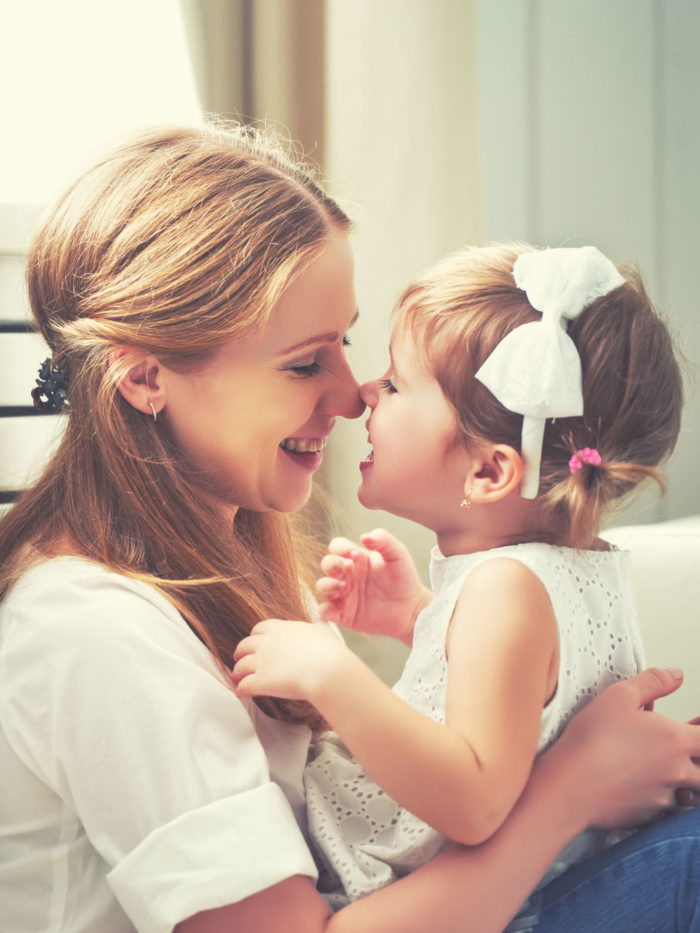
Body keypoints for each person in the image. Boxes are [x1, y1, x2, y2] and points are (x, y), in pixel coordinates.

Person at [0, 123, 699, 933]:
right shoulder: (99, 633)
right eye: (304, 362)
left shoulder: (235, 565)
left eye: (347, 343)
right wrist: (571, 788)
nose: (350, 393)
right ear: (148, 375)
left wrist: (434, 633)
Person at [233, 242, 689, 918]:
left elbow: (475, 799)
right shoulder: (570, 568)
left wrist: (335, 676)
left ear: (488, 472)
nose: (363, 393)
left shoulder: (505, 589)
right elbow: (530, 710)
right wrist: (422, 616)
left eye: (394, 383)